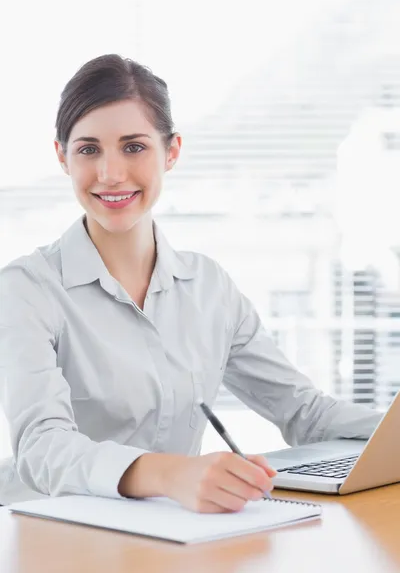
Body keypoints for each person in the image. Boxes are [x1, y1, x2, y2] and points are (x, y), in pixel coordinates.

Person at [0, 54, 382, 511]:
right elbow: (43, 449)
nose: (111, 174)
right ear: (63, 156)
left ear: (172, 151)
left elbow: (306, 414)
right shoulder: (27, 288)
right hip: (50, 537)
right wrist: (170, 472)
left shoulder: (209, 288)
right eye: (88, 149)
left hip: (173, 540)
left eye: (134, 147)